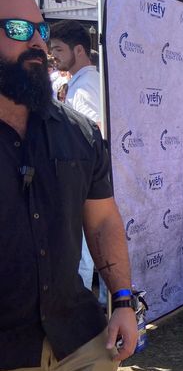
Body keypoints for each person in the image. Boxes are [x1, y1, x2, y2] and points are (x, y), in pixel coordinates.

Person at [0, 0, 138, 371]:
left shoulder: (78, 132)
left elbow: (103, 222)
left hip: (70, 325)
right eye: (17, 27)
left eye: (39, 27)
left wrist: (125, 302)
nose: (37, 41)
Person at [49, 20, 103, 297]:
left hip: (83, 181)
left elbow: (95, 135)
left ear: (79, 50)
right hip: (84, 181)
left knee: (83, 251)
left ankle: (81, 312)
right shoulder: (84, 82)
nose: (53, 55)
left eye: (58, 48)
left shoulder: (84, 88)